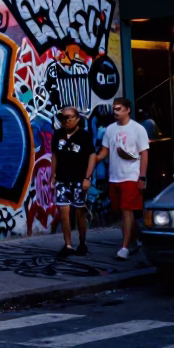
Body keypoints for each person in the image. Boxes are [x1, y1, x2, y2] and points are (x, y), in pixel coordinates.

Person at [95, 96, 149, 259]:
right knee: (123, 212)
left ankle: (124, 248)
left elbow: (144, 153)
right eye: (114, 109)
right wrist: (94, 159)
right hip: (114, 176)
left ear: (128, 110)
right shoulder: (110, 129)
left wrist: (142, 176)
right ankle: (136, 239)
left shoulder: (138, 129)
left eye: (118, 109)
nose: (115, 112)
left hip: (131, 176)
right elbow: (105, 150)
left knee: (127, 211)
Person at [51, 106, 97, 258]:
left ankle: (82, 243)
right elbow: (55, 155)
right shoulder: (57, 135)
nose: (67, 120)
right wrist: (53, 175)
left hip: (79, 180)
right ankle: (68, 245)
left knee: (80, 214)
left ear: (77, 118)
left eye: (70, 117)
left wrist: (87, 178)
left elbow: (92, 156)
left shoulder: (84, 136)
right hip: (62, 180)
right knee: (64, 214)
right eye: (64, 117)